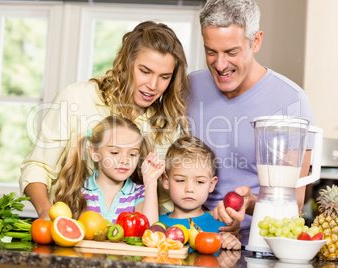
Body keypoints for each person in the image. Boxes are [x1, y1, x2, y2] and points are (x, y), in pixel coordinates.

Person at [20, 21, 188, 220]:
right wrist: (45, 211)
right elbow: (38, 167)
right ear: (126, 64)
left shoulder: (165, 124)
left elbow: (165, 199)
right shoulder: (77, 97)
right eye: (145, 71)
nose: (152, 85)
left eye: (164, 76)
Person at [186, 0, 315, 245]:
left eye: (231, 52)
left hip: (257, 246)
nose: (220, 64)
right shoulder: (188, 88)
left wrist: (248, 204)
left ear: (256, 41)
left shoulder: (291, 101)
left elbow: (295, 201)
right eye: (211, 51)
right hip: (191, 240)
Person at [55, 116, 165, 223]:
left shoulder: (141, 193)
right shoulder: (77, 192)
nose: (124, 160)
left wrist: (150, 182)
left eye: (132, 154)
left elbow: (149, 231)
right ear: (94, 153)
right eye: (115, 152)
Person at [159, 135, 242, 250]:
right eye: (181, 180)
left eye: (199, 181)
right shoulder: (157, 226)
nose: (189, 189)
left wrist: (233, 245)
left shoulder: (223, 228)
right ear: (166, 181)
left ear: (211, 184)